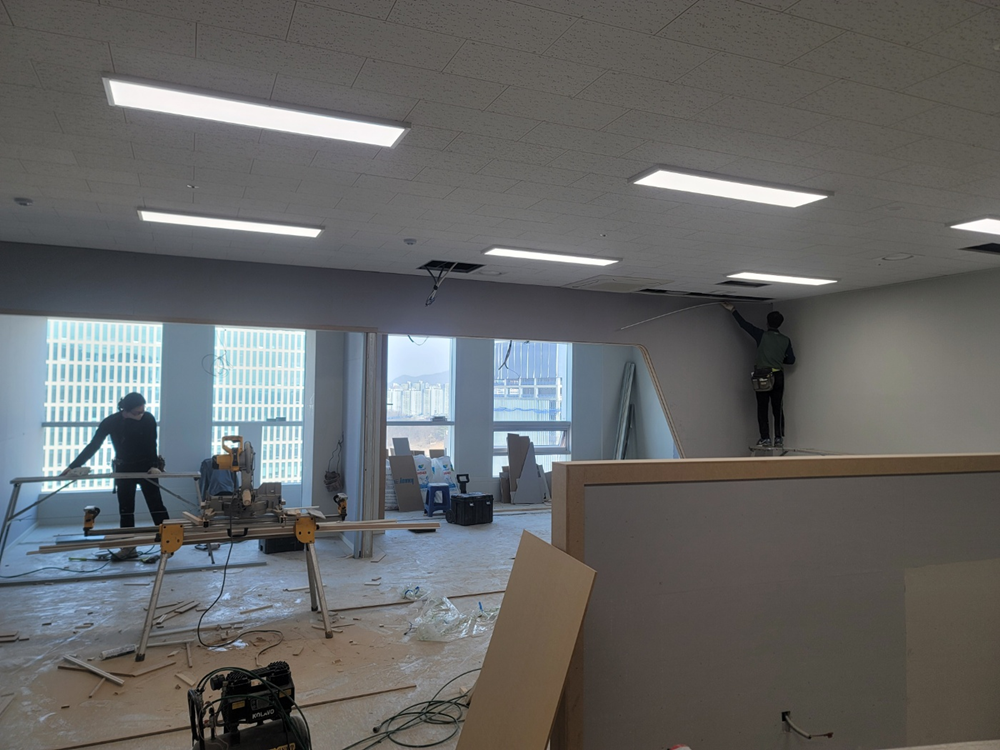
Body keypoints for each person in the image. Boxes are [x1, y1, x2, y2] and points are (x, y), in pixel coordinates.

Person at [62, 392, 168, 560]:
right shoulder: (112, 422)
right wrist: (73, 466)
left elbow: (151, 443)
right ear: (125, 410)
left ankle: (169, 543)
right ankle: (128, 547)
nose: (141, 415)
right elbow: (94, 445)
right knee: (126, 510)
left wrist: (155, 466)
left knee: (157, 506)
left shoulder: (148, 419)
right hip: (124, 468)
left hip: (147, 469)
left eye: (142, 411)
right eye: (137, 413)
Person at [721, 303, 795, 448]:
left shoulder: (762, 335)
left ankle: (765, 438)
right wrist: (779, 359)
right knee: (777, 407)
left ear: (767, 323)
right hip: (778, 375)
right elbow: (791, 360)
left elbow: (744, 325)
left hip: (763, 375)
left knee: (762, 407)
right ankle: (779, 438)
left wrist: (733, 310)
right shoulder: (786, 340)